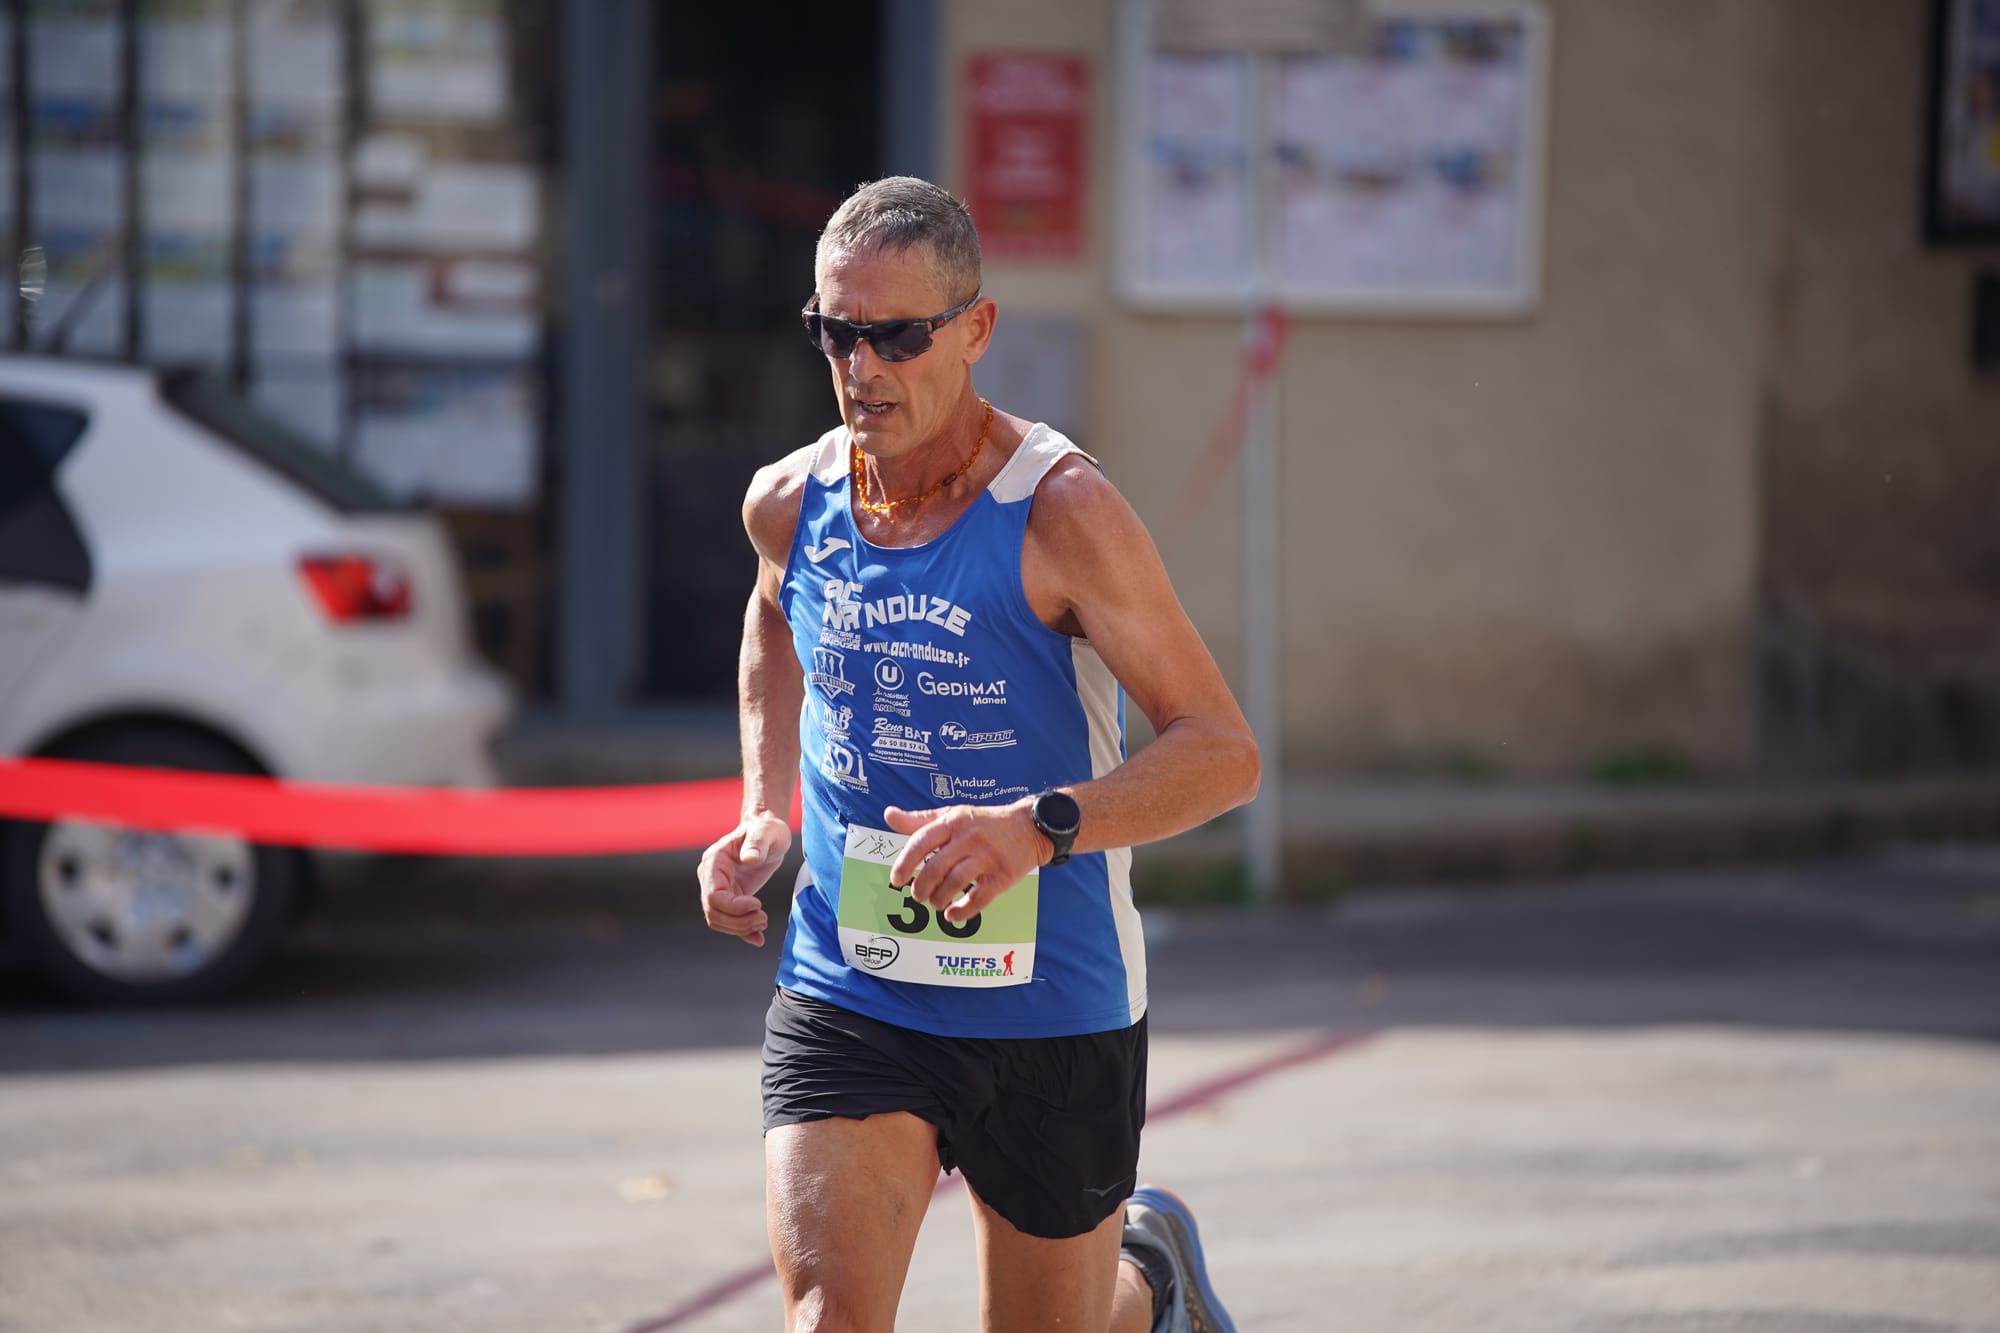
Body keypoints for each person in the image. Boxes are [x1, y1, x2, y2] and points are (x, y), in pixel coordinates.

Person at [697, 175, 1260, 1333]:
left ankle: (1148, 1282)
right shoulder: (789, 504)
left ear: (974, 330)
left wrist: (1036, 827)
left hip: (1049, 998)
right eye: (834, 333)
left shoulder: (1061, 513)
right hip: (851, 981)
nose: (861, 367)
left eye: (895, 335)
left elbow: (1220, 750)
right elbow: (770, 617)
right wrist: (763, 807)